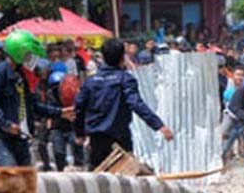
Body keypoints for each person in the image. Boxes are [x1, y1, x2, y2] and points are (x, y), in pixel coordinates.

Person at [74, 38, 174, 170]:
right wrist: (159, 125)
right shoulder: (125, 79)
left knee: (98, 181)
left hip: (96, 139)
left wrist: (79, 132)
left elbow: (79, 108)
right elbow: (136, 104)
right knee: (124, 182)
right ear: (123, 57)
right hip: (120, 140)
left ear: (103, 57)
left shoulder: (90, 82)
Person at [0, 30, 75, 166]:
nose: (33, 59)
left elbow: (33, 105)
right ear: (19, 52)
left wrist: (60, 112)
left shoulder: (22, 76)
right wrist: (6, 124)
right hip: (2, 137)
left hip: (21, 136)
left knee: (25, 180)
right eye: (30, 55)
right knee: (12, 174)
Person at [47, 70, 84, 171]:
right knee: (58, 151)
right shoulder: (51, 96)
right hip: (57, 126)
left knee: (77, 144)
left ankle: (80, 166)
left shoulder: (74, 91)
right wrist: (62, 114)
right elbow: (50, 111)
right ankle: (61, 170)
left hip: (71, 125)